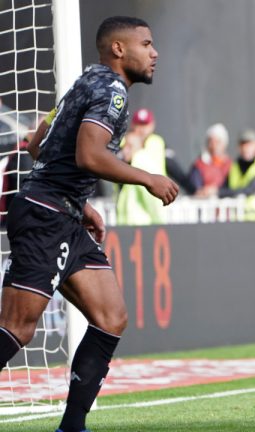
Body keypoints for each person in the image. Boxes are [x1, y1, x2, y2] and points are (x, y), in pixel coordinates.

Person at [0, 16, 178, 432]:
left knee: (110, 317)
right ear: (119, 49)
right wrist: (147, 177)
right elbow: (89, 156)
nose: (154, 53)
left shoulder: (86, 81)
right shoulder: (112, 91)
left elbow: (37, 144)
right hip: (46, 215)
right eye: (147, 44)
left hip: (62, 212)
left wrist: (77, 202)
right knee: (16, 329)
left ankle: (73, 427)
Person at [116, 108, 167, 225]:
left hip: (145, 222)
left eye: (145, 125)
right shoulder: (124, 147)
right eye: (139, 125)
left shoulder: (154, 146)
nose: (142, 129)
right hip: (125, 221)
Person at [189, 122, 232, 198]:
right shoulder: (199, 165)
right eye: (211, 142)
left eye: (217, 142)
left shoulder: (231, 165)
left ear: (224, 144)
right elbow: (194, 187)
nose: (214, 146)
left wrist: (217, 191)